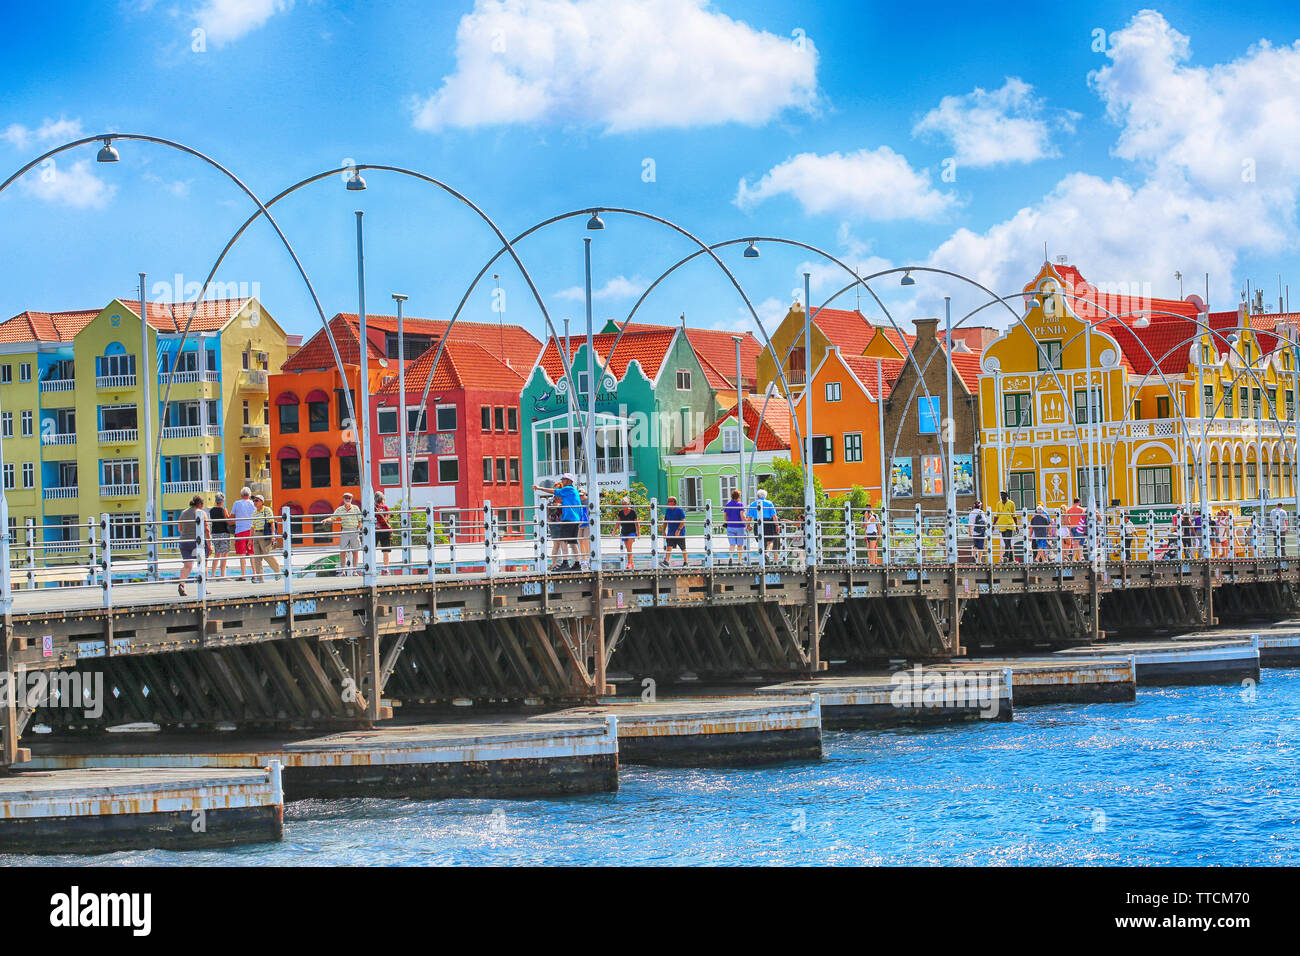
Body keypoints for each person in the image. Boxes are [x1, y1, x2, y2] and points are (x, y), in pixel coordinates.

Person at [532, 473, 582, 570]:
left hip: (569, 518)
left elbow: (554, 491)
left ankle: (565, 562)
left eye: (564, 479)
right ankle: (577, 564)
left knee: (563, 540)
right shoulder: (574, 491)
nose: (562, 481)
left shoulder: (568, 489)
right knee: (573, 542)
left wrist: (539, 488)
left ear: (569, 481)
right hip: (575, 518)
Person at [177, 494, 204, 596]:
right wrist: (209, 544)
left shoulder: (183, 513)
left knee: (187, 566)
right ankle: (203, 587)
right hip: (195, 542)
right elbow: (205, 529)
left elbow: (180, 529)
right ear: (200, 504)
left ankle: (181, 585)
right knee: (202, 564)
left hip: (184, 541)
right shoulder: (200, 513)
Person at [250, 493, 281, 581]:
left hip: (264, 534)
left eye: (256, 500)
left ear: (262, 502)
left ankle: (277, 570)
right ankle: (260, 577)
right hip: (256, 534)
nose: (254, 502)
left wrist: (273, 535)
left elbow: (271, 523)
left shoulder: (267, 510)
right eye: (254, 501)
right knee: (257, 557)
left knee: (266, 554)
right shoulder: (254, 513)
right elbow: (252, 526)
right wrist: (250, 539)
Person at [230, 486, 257, 580]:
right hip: (251, 531)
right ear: (249, 495)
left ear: (241, 495)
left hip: (240, 530)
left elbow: (232, 518)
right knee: (252, 553)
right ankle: (254, 573)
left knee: (242, 554)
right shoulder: (253, 504)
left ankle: (243, 575)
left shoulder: (236, 503)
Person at [332, 492, 363, 574]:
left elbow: (360, 521)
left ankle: (355, 570)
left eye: (349, 498)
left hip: (354, 530)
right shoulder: (340, 509)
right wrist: (325, 520)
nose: (347, 499)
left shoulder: (356, 508)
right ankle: (342, 570)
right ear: (343, 499)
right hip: (345, 530)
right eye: (346, 498)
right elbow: (333, 518)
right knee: (342, 551)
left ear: (351, 499)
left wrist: (358, 529)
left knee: (355, 551)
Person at [747, 488, 779, 559]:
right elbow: (774, 516)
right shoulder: (769, 503)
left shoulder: (753, 504)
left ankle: (763, 559)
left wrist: (748, 525)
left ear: (758, 496)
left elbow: (749, 517)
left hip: (757, 523)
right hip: (768, 523)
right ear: (765, 496)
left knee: (761, 541)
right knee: (770, 541)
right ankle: (767, 554)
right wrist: (777, 525)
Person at [207, 492, 231, 580]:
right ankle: (223, 575)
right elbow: (227, 520)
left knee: (217, 554)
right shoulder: (223, 510)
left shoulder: (211, 510)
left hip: (215, 533)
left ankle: (212, 574)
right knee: (224, 554)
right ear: (222, 501)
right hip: (224, 533)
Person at [991, 491, 1017, 563]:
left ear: (1007, 495)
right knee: (1006, 542)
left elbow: (1014, 515)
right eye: (1001, 495)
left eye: (1003, 495)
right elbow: (996, 515)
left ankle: (1006, 556)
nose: (1002, 496)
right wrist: (993, 525)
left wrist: (1016, 526)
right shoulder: (998, 504)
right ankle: (1011, 558)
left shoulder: (1011, 503)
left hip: (1009, 525)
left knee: (1007, 540)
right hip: (1002, 525)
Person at [662, 495, 688, 567]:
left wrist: (679, 530)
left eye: (669, 501)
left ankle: (686, 562)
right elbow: (665, 521)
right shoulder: (667, 510)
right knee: (669, 546)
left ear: (673, 502)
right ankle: (666, 562)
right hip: (671, 531)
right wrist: (663, 530)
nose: (667, 503)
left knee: (683, 548)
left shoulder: (679, 510)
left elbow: (683, 520)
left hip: (680, 532)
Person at [724, 489, 748, 564]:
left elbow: (725, 516)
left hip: (730, 526)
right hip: (740, 526)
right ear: (738, 497)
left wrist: (728, 521)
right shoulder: (740, 504)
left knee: (732, 544)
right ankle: (739, 561)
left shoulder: (728, 504)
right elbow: (742, 516)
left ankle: (730, 557)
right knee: (740, 545)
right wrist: (747, 522)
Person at [616, 497, 640, 570]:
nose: (624, 506)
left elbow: (637, 523)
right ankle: (631, 563)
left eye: (625, 504)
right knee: (628, 548)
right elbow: (618, 523)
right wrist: (614, 531)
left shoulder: (632, 512)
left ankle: (629, 563)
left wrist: (638, 532)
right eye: (623, 504)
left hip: (631, 531)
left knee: (629, 547)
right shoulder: (620, 512)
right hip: (624, 531)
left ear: (628, 504)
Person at [374, 491, 393, 573]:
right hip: (385, 530)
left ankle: (374, 567)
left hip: (377, 530)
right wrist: (386, 518)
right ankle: (386, 568)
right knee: (385, 550)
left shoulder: (373, 507)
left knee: (373, 549)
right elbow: (387, 516)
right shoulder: (384, 507)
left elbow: (387, 516)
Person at [577, 490, 592, 569]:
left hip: (587, 523)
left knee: (586, 541)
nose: (580, 497)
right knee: (580, 541)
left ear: (585, 494)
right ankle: (583, 560)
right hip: (580, 523)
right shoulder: (578, 501)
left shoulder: (589, 500)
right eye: (579, 495)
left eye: (582, 495)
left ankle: (589, 559)